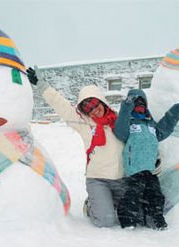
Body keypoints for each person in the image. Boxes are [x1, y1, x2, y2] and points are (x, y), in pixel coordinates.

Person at [27, 67, 125, 227]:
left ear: (102, 101)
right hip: (98, 179)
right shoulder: (83, 124)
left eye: (94, 104)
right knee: (105, 221)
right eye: (88, 108)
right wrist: (41, 85)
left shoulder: (120, 121)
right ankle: (92, 204)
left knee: (129, 216)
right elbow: (61, 105)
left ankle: (107, 201)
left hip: (122, 179)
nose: (94, 110)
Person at [113, 89, 179, 230]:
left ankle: (156, 219)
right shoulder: (129, 123)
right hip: (134, 169)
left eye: (142, 103)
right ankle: (128, 221)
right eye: (136, 103)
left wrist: (178, 109)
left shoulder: (151, 125)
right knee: (132, 195)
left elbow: (166, 125)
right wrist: (126, 107)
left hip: (150, 170)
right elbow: (119, 132)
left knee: (156, 195)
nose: (140, 106)